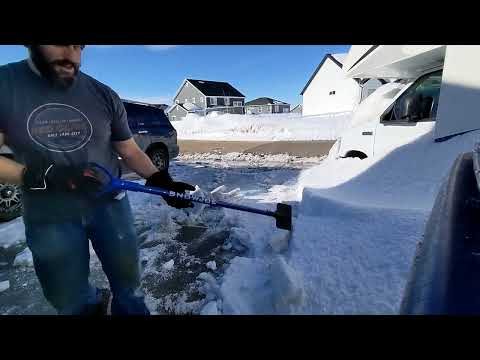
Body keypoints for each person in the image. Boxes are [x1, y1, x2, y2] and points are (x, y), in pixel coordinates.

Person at [0, 45, 195, 315]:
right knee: (68, 298)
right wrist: (40, 174)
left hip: (109, 206)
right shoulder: (5, 85)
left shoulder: (102, 94)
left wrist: (161, 180)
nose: (70, 52)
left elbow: (128, 149)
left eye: (77, 44)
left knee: (129, 285)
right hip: (49, 213)